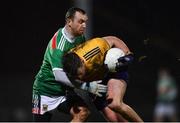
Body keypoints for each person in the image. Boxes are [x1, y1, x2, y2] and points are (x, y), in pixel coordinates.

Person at [32, 7, 107, 122]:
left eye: (85, 22)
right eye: (80, 22)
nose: (84, 25)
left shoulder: (80, 38)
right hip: (45, 92)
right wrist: (86, 86)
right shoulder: (59, 45)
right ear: (69, 22)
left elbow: (84, 64)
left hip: (65, 92)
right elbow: (59, 75)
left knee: (83, 112)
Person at [63, 36, 143, 122]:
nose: (79, 78)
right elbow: (69, 81)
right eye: (75, 76)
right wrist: (86, 86)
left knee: (115, 104)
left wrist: (127, 53)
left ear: (82, 62)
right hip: (94, 84)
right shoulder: (67, 69)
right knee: (114, 119)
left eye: (80, 74)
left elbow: (113, 40)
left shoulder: (95, 48)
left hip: (111, 72)